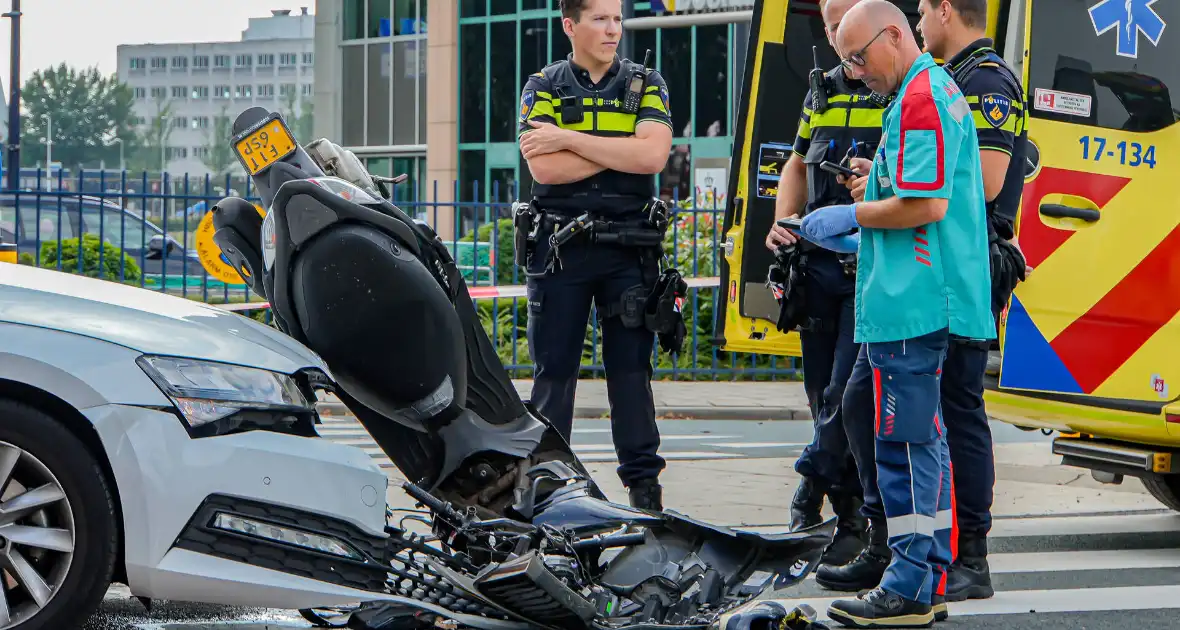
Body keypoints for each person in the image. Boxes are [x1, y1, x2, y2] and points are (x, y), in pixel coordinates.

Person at [795, 0, 995, 625]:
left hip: (911, 303)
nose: (853, 71)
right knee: (922, 444)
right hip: (917, 298)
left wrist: (850, 214)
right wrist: (872, 195)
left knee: (905, 446)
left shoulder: (919, 98)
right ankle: (925, 575)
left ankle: (908, 584)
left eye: (857, 56)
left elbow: (925, 206)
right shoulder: (925, 91)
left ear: (893, 35)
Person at [515, 0, 676, 511]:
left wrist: (567, 138)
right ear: (570, 25)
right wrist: (617, 148)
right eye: (600, 19)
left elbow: (652, 156)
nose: (614, 29)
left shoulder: (646, 82)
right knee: (553, 376)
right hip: (559, 253)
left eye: (617, 18)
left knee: (631, 375)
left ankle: (645, 494)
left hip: (629, 251)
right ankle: (547, 489)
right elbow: (544, 171)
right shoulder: (542, 85)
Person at [915, 0, 1033, 603]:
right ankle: (936, 547)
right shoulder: (956, 77)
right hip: (948, 263)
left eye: (920, 12)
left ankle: (973, 555)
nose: (916, 24)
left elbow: (987, 181)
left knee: (959, 408)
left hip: (969, 265)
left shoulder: (985, 82)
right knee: (941, 406)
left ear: (944, 11)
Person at [764, 0, 884, 567]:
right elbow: (795, 162)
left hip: (869, 265)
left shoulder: (895, 85)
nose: (835, 33)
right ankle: (839, 508)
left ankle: (823, 492)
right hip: (817, 265)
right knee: (821, 395)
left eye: (844, 22)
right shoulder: (823, 88)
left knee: (847, 393)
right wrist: (782, 222)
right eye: (830, 23)